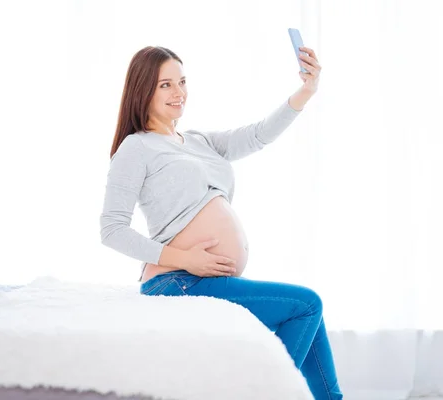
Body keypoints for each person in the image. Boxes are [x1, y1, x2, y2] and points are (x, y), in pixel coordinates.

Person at [100, 45, 342, 399]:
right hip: (175, 281)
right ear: (143, 89)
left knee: (309, 313)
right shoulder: (136, 148)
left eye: (182, 81)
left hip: (201, 277)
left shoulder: (197, 141)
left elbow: (258, 135)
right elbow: (112, 229)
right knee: (306, 304)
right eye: (165, 84)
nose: (179, 92)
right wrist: (185, 259)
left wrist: (305, 92)